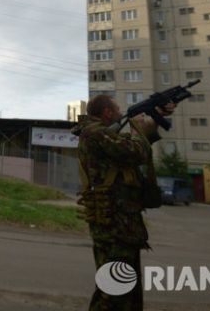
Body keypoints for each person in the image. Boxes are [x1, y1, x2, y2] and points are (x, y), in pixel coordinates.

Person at [71, 94, 175, 311]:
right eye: (117, 109)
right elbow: (136, 151)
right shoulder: (95, 133)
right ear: (107, 112)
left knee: (127, 291)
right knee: (114, 290)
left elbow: (135, 144)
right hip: (114, 224)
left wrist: (156, 118)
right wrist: (138, 128)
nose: (121, 113)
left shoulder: (103, 134)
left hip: (122, 223)